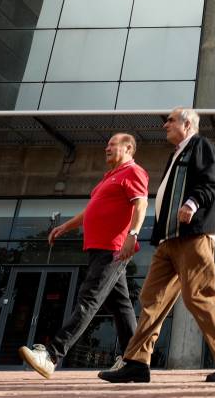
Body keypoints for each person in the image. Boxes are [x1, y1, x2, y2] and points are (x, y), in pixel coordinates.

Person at [101, 108, 215, 384]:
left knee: (198, 295)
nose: (165, 124)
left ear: (187, 123)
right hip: (168, 240)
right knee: (152, 299)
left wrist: (192, 203)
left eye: (171, 120)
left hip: (192, 235)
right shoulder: (175, 154)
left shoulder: (200, 145)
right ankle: (137, 363)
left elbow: (210, 182)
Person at [19, 133, 147, 379]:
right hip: (98, 247)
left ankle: (52, 355)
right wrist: (66, 226)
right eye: (106, 144)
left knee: (88, 299)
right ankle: (137, 364)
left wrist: (133, 233)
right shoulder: (108, 178)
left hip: (114, 248)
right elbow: (91, 210)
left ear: (128, 148)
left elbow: (141, 203)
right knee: (120, 306)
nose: (106, 148)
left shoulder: (133, 171)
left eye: (112, 144)